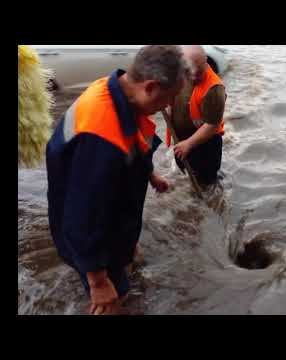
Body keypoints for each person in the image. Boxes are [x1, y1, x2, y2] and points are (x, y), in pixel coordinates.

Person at [46, 45, 187, 315]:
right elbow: (83, 216)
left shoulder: (115, 88)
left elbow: (132, 143)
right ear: (150, 86)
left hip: (111, 214)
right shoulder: (100, 138)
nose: (168, 105)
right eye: (168, 98)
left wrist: (150, 175)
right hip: (88, 229)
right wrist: (98, 281)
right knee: (113, 299)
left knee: (123, 270)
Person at [165, 45, 227, 186]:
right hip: (181, 139)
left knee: (207, 183)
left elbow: (212, 125)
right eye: (189, 72)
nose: (193, 77)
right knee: (186, 175)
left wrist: (189, 144)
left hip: (204, 145)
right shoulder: (179, 71)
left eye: (198, 72)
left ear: (205, 62)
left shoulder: (214, 89)